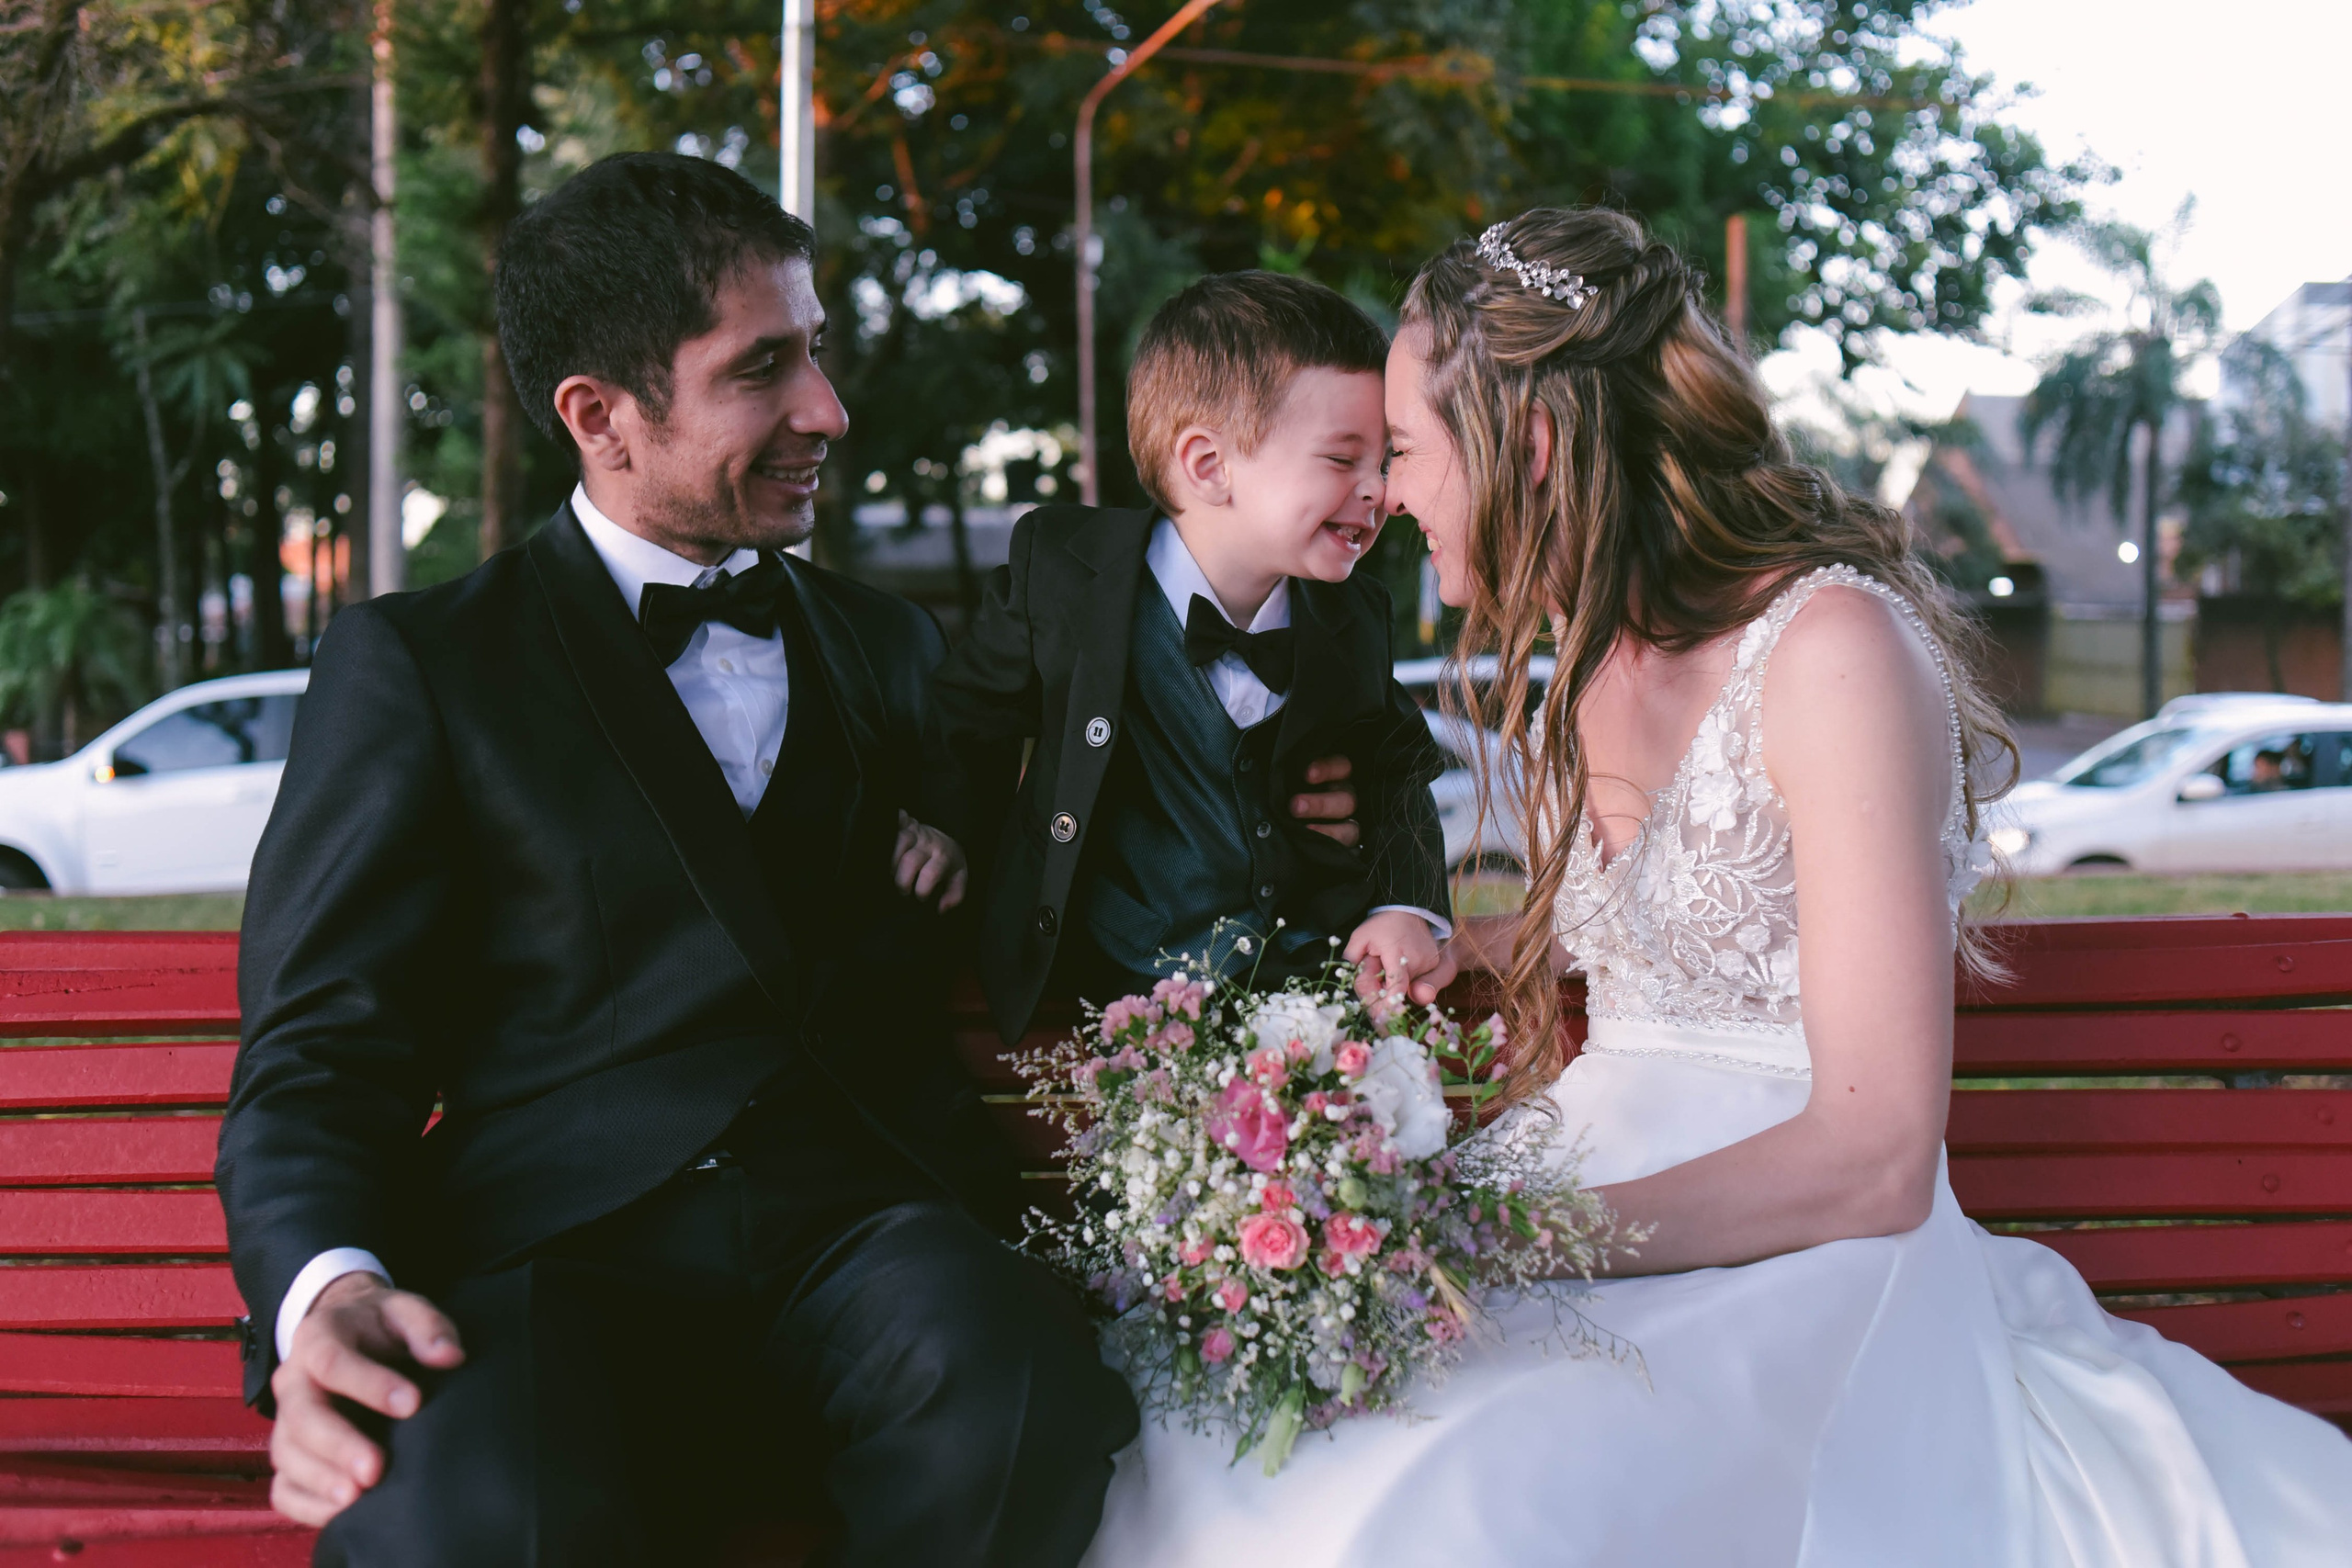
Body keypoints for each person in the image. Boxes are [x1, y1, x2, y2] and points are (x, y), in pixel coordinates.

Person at [1078, 209, 2352, 1566]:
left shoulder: (1833, 651)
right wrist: (1460, 949)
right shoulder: (1586, 665)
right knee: (1233, 1429)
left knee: (1455, 1502)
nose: (1386, 494)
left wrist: (1521, 1234)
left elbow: (1875, 1156)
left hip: (1799, 1254)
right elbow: (1667, 944)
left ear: (1533, 445)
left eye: (1403, 447)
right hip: (1577, 1177)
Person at [215, 152, 1138, 1567]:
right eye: (762, 368)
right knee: (468, 1517)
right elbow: (319, 1048)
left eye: (815, 351)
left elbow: (1035, 862)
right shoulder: (423, 665)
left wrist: (1309, 801)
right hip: (547, 1254)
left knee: (1020, 1404)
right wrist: (324, 1287)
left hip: (861, 1237)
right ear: (600, 416)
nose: (826, 409)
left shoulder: (892, 651)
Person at [932, 271, 1452, 1043]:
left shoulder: (1354, 615)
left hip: (1308, 997)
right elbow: (965, 718)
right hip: (1118, 1000)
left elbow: (1397, 768)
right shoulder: (1067, 575)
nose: (1377, 491)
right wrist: (940, 829)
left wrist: (1405, 905)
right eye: (1343, 460)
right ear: (1209, 466)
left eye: (1383, 461)